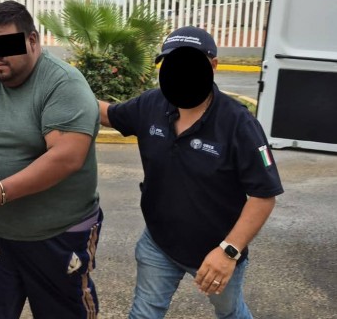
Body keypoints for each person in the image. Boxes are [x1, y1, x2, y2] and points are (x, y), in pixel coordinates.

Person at [99, 26, 284, 319]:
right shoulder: (151, 104)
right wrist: (62, 86)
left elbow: (264, 196)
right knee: (143, 314)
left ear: (213, 65)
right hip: (159, 243)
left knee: (231, 313)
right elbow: (109, 114)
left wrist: (229, 252)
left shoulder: (239, 123)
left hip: (218, 250)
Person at [0, 0, 102, 319]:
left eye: (7, 45)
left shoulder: (63, 83)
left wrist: (1, 192)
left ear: (32, 40)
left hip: (56, 235)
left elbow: (66, 157)